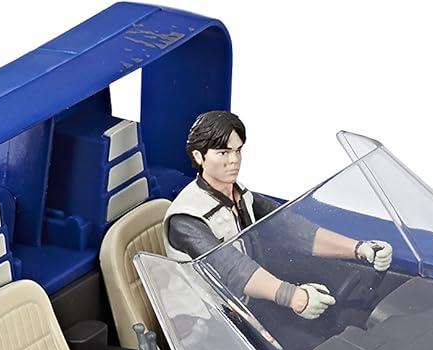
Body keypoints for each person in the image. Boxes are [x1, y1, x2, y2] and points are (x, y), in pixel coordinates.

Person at [164, 111, 393, 320]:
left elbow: (292, 229)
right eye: (223, 152)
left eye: (238, 150)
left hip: (248, 299)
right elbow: (231, 267)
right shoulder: (186, 219)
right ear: (199, 156)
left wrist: (359, 248)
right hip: (205, 317)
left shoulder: (241, 195)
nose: (234, 160)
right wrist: (292, 296)